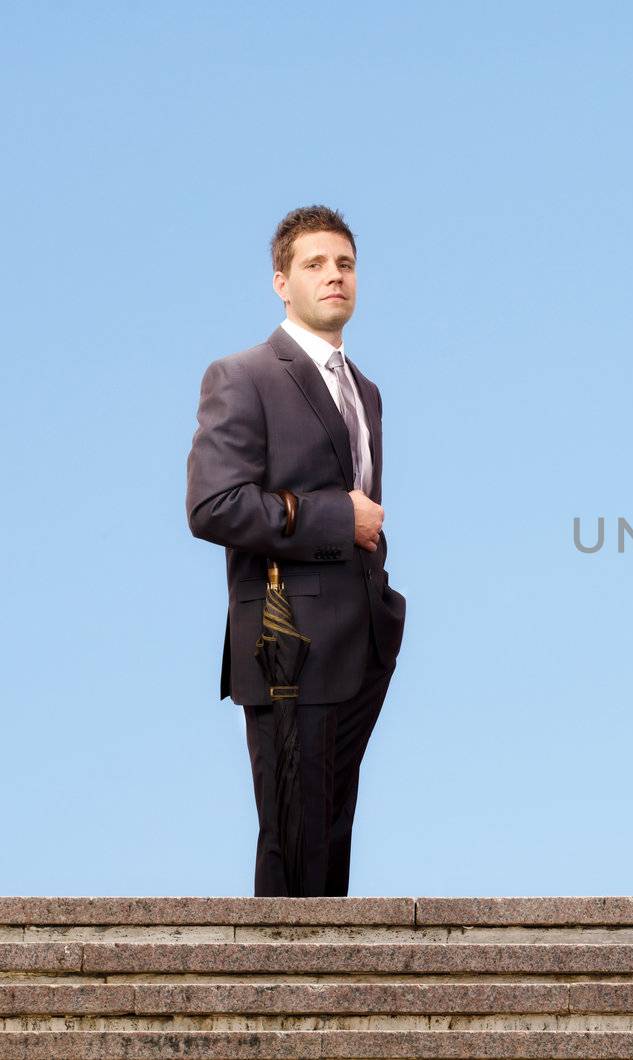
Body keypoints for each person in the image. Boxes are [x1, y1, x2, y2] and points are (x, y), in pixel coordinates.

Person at [185, 205, 406, 897]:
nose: (333, 276)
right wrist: (338, 516)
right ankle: (284, 998)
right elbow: (212, 505)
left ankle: (330, 994)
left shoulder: (364, 390)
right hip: (288, 643)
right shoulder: (243, 375)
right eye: (314, 264)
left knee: (331, 834)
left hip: (362, 640)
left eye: (344, 264)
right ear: (281, 282)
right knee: (294, 838)